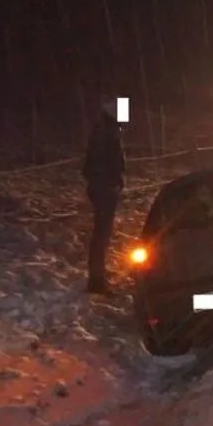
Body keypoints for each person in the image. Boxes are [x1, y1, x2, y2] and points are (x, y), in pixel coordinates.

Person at [81, 98, 125, 293]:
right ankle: (97, 279)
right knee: (101, 234)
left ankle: (99, 274)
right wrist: (108, 181)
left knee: (103, 234)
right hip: (104, 188)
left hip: (106, 186)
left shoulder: (108, 132)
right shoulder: (104, 134)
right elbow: (97, 164)